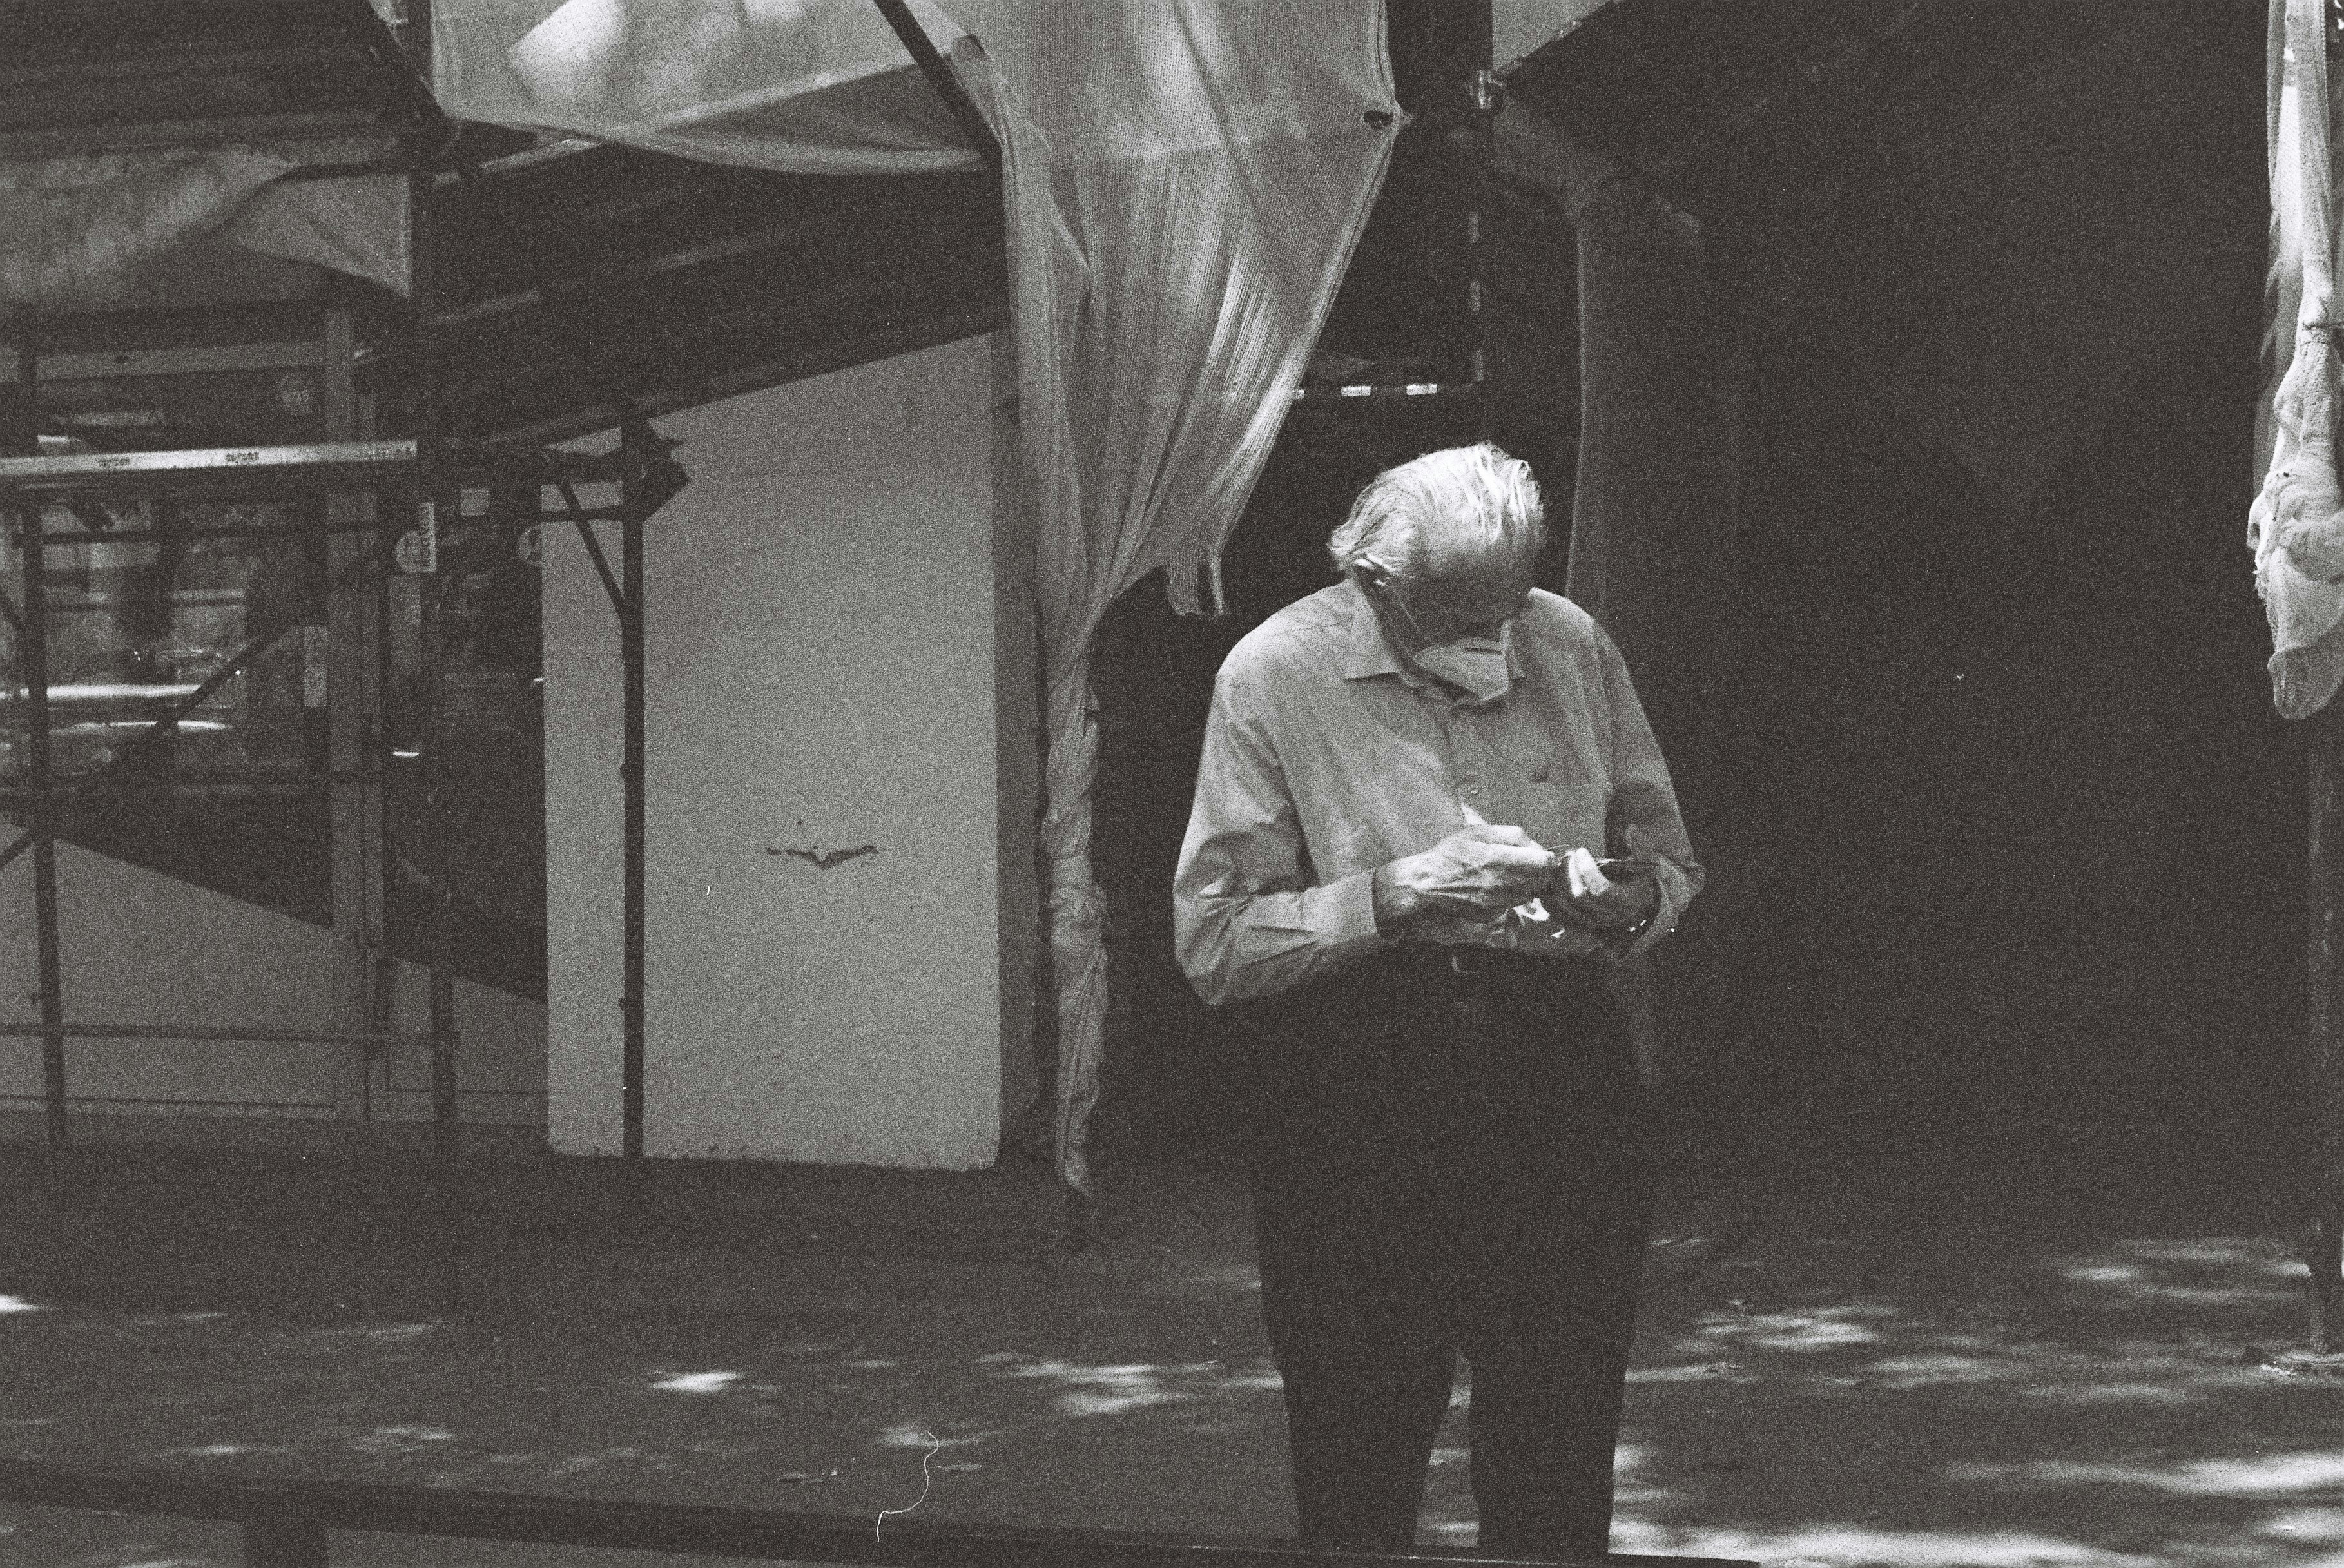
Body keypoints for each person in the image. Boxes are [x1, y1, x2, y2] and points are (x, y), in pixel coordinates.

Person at [1172, 442, 1702, 1557]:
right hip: (1360, 1081)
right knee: (1358, 1446)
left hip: (1557, 1071)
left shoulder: (1568, 641)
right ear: (1370, 580)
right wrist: (1395, 892)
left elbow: (1666, 859)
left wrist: (1621, 903)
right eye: (1452, 613)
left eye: (1502, 607)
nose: (1488, 639)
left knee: (1558, 1448)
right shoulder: (1272, 673)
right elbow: (1213, 942)